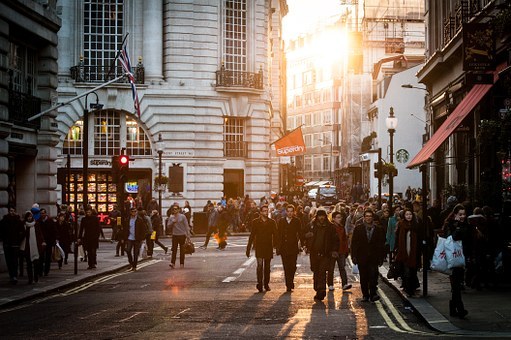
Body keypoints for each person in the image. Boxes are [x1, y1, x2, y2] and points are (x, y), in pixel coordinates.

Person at [351, 208, 386, 302]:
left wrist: (381, 257)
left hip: (374, 257)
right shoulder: (358, 228)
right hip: (362, 257)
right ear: (364, 217)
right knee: (363, 277)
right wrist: (353, 256)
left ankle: (373, 294)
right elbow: (354, 243)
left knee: (373, 276)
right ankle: (365, 295)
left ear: (373, 217)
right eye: (366, 216)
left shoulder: (378, 229)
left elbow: (381, 244)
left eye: (370, 216)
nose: (368, 218)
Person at [305, 209, 339, 301]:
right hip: (314, 253)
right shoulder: (312, 226)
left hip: (325, 253)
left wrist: (334, 250)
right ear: (317, 216)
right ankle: (317, 288)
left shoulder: (330, 227)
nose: (321, 218)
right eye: (319, 216)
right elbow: (303, 234)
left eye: (323, 216)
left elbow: (335, 240)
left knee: (322, 272)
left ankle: (322, 290)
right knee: (315, 270)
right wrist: (307, 238)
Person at [442, 204, 470, 318]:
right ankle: (460, 309)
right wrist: (457, 226)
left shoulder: (466, 225)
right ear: (455, 215)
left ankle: (453, 309)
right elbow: (451, 238)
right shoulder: (450, 225)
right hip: (453, 258)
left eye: (464, 214)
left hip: (462, 257)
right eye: (460, 214)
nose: (462, 216)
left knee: (457, 285)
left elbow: (468, 240)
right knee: (456, 285)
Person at [246, 204, 277, 292]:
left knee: (267, 267)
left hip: (268, 246)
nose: (265, 212)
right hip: (259, 246)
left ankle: (266, 284)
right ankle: (259, 284)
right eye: (264, 211)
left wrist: (277, 247)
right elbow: (252, 235)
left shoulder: (272, 222)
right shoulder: (255, 222)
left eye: (267, 211)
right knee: (259, 265)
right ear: (260, 212)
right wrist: (248, 248)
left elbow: (276, 235)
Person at [394, 208, 422, 297]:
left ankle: (411, 288)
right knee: (407, 272)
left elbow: (420, 239)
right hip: (404, 252)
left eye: (410, 214)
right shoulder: (401, 225)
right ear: (404, 216)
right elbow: (397, 238)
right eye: (407, 214)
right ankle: (409, 290)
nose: (409, 216)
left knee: (413, 272)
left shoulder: (416, 225)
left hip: (414, 253)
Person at [276, 204, 303, 292]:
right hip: (284, 247)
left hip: (293, 246)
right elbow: (279, 234)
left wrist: (302, 244)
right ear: (286, 212)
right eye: (288, 211)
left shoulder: (297, 221)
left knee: (293, 266)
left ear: (294, 212)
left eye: (291, 211)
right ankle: (288, 284)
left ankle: (290, 280)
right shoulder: (281, 221)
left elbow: (300, 233)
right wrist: (277, 246)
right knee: (286, 266)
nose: (290, 213)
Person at [329, 211, 352, 291]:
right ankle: (330, 284)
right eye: (338, 217)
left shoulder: (342, 227)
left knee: (342, 268)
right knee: (331, 268)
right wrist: (331, 250)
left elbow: (344, 240)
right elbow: (329, 240)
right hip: (333, 251)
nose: (340, 219)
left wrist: (346, 250)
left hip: (341, 251)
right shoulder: (330, 227)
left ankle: (344, 284)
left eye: (340, 217)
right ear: (334, 219)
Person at [0, 208, 25, 284]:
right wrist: (3, 239)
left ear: (15, 211)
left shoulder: (18, 221)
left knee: (14, 260)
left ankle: (14, 275)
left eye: (13, 211)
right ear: (8, 212)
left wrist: (19, 240)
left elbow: (22, 232)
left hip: (15, 244)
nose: (12, 212)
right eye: (11, 211)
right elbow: (0, 231)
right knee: (9, 261)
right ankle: (11, 275)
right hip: (7, 244)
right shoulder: (4, 220)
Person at [20, 211, 45, 284]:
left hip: (35, 246)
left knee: (36, 263)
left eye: (30, 216)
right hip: (27, 246)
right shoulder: (24, 225)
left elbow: (40, 234)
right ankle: (30, 279)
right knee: (29, 264)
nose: (29, 218)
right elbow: (22, 235)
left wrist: (42, 241)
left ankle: (35, 277)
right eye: (28, 216)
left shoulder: (36, 224)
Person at [167, 204, 191, 268]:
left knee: (182, 250)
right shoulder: (171, 217)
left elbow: (186, 226)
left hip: (182, 235)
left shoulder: (182, 217)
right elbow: (168, 226)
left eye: (176, 209)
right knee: (174, 250)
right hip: (175, 235)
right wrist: (172, 222)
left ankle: (182, 263)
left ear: (178, 209)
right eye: (173, 209)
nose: (174, 210)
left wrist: (188, 236)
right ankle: (172, 263)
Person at [124, 207, 148, 271]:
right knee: (128, 250)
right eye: (132, 211)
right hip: (129, 237)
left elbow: (143, 229)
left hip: (137, 239)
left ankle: (134, 266)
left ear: (136, 212)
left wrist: (142, 238)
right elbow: (125, 229)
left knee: (135, 253)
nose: (134, 213)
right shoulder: (128, 219)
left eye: (135, 211)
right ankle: (131, 263)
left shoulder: (139, 220)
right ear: (130, 212)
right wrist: (124, 237)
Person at [37, 208, 57, 276]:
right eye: (41, 213)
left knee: (48, 257)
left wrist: (53, 240)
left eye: (43, 213)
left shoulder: (50, 221)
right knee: (41, 257)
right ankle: (40, 271)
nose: (42, 214)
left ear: (46, 213)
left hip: (49, 241)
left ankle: (46, 271)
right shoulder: (38, 221)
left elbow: (54, 231)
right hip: (41, 242)